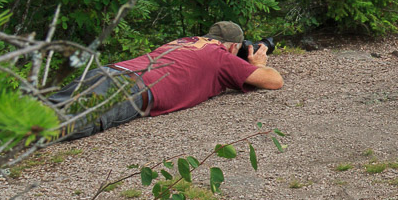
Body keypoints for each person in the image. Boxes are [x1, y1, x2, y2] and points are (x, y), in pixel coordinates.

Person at [57, 21, 283, 140]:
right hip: (131, 88)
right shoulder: (220, 56)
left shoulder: (183, 41)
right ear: (234, 46)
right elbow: (274, 81)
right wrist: (257, 64)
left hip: (107, 71)